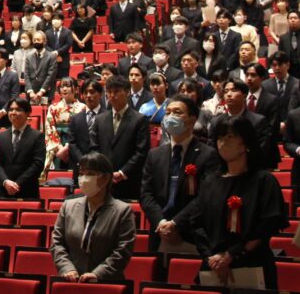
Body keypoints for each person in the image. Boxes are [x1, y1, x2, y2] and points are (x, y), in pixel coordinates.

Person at [163, 116, 288, 288]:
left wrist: (231, 255)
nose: (222, 143)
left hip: (252, 263)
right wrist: (211, 257)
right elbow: (196, 223)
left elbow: (267, 225)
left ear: (245, 143)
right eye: (220, 138)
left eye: (229, 137)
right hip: (213, 264)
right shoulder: (210, 181)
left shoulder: (264, 181)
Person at [140, 95, 219, 251]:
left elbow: (204, 196)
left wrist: (176, 224)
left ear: (192, 120)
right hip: (159, 232)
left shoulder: (207, 155)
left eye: (177, 112)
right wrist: (161, 222)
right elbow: (146, 194)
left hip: (191, 234)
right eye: (167, 112)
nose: (170, 117)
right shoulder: (155, 155)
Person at [51, 152, 137, 282]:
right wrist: (67, 268)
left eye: (90, 174)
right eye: (81, 174)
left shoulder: (123, 211)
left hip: (107, 283)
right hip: (72, 281)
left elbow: (123, 250)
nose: (84, 178)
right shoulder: (68, 206)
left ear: (106, 178)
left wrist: (98, 274)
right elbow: (57, 242)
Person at [89, 74, 150, 200]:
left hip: (129, 181)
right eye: (109, 92)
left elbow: (141, 152)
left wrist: (123, 172)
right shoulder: (100, 119)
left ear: (127, 92)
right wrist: (103, 171)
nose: (112, 95)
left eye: (116, 91)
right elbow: (94, 148)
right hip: (104, 181)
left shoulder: (139, 119)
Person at [0, 97, 45, 198]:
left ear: (27, 113)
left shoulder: (37, 136)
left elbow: (38, 165)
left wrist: (17, 184)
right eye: (11, 110)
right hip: (4, 191)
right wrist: (6, 182)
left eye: (18, 109)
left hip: (27, 191)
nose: (13, 112)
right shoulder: (1, 136)